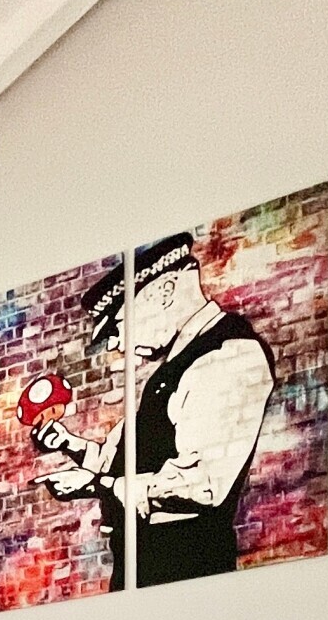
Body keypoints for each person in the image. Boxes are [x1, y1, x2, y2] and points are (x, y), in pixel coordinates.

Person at [34, 232, 275, 589]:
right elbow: (135, 459)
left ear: (164, 292)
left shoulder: (228, 354)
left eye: (119, 326)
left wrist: (98, 485)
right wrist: (71, 444)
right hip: (146, 570)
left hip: (185, 568)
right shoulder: (175, 364)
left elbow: (203, 483)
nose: (117, 344)